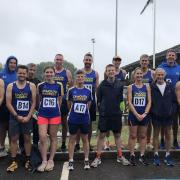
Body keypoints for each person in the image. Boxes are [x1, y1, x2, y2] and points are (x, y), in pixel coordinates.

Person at [91, 64, 129, 168]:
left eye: (112, 70)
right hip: (105, 115)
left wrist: (120, 110)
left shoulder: (120, 84)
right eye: (109, 70)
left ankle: (120, 156)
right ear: (106, 72)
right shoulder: (102, 85)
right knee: (102, 135)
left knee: (117, 135)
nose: (111, 72)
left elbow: (121, 100)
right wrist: (102, 110)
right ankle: (98, 157)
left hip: (116, 114)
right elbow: (99, 101)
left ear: (115, 72)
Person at [6, 65, 36, 172]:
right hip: (14, 118)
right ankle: (13, 161)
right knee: (14, 139)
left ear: (27, 74)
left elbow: (33, 103)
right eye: (20, 73)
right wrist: (16, 116)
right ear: (17, 73)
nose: (22, 75)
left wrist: (28, 116)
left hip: (27, 118)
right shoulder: (10, 86)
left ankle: (28, 160)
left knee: (27, 139)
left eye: (24, 73)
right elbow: (8, 103)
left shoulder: (31, 86)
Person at [37, 66, 63, 172]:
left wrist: (56, 110)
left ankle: (51, 160)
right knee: (42, 137)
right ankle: (44, 160)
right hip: (42, 114)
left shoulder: (59, 85)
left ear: (54, 73)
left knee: (53, 137)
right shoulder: (40, 85)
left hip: (54, 114)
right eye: (47, 72)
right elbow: (39, 99)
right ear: (44, 74)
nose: (49, 74)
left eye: (51, 72)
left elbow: (60, 100)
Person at [151, 68, 177, 166]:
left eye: (162, 75)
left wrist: (172, 111)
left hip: (168, 115)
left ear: (164, 75)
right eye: (158, 75)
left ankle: (167, 154)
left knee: (168, 135)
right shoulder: (152, 86)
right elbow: (150, 101)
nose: (160, 76)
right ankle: (156, 154)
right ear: (155, 75)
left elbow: (174, 102)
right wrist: (153, 111)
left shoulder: (170, 86)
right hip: (156, 115)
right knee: (156, 135)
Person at [67, 70, 92, 171]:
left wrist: (84, 112)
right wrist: (72, 112)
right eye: (78, 77)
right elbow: (69, 103)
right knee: (72, 139)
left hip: (84, 119)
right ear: (76, 78)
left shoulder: (88, 91)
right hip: (73, 118)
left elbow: (89, 104)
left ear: (84, 78)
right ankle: (71, 160)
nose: (80, 78)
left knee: (85, 139)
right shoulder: (71, 90)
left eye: (82, 77)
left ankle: (86, 159)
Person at [127, 67, 151, 166]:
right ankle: (132, 155)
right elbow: (129, 101)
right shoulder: (130, 87)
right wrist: (136, 114)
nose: (139, 75)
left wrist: (144, 114)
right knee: (133, 135)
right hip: (134, 115)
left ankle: (142, 155)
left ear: (143, 75)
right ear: (134, 75)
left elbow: (149, 101)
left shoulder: (147, 87)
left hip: (144, 115)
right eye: (137, 74)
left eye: (141, 74)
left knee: (143, 136)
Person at [103, 56, 127, 151]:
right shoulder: (108, 72)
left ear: (120, 62)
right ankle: (107, 142)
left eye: (119, 60)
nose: (117, 62)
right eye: (115, 60)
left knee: (119, 123)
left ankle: (118, 142)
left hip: (120, 100)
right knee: (108, 124)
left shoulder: (123, 72)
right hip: (109, 101)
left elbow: (124, 85)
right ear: (112, 61)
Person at [158, 49, 180, 149]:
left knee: (175, 121)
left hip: (175, 99)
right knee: (163, 121)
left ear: (175, 57)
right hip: (163, 99)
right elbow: (155, 80)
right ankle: (162, 140)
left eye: (172, 55)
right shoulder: (161, 67)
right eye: (169, 55)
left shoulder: (179, 68)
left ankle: (175, 140)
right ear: (166, 57)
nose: (171, 56)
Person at [133, 55, 154, 150]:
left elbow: (154, 85)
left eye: (146, 61)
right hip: (138, 99)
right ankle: (137, 141)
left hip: (148, 101)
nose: (144, 62)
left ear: (148, 62)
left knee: (148, 122)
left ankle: (148, 141)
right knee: (137, 121)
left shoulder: (152, 73)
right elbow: (132, 85)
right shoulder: (136, 72)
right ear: (140, 61)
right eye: (143, 61)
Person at [19, 63, 41, 152]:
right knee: (23, 129)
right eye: (30, 70)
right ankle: (22, 147)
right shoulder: (22, 80)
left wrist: (38, 108)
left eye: (33, 70)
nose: (31, 72)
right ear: (27, 71)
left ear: (35, 71)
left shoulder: (38, 82)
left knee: (36, 129)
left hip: (35, 109)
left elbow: (39, 97)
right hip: (24, 109)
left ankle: (35, 146)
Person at [54, 54, 73, 152]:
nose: (58, 61)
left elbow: (71, 86)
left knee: (64, 123)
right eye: (57, 59)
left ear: (63, 61)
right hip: (53, 100)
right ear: (54, 60)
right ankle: (53, 144)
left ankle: (63, 143)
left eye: (60, 59)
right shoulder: (51, 71)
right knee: (53, 123)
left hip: (64, 101)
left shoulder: (67, 72)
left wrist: (69, 99)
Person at [0, 56, 18, 157]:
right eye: (11, 62)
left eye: (15, 63)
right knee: (2, 127)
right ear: (7, 63)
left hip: (14, 105)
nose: (13, 64)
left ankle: (13, 148)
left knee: (13, 128)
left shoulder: (17, 75)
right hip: (3, 105)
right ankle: (1, 147)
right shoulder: (1, 74)